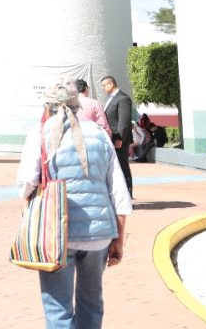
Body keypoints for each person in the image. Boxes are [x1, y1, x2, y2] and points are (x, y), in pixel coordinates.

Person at [16, 82, 132, 329]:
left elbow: (26, 182)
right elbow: (118, 192)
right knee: (92, 300)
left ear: (48, 106)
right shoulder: (99, 133)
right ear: (77, 104)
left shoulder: (40, 132)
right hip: (99, 235)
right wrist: (119, 239)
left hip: (57, 234)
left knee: (57, 306)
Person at [102, 75, 134, 198]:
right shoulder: (111, 98)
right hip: (113, 138)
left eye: (104, 85)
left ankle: (128, 194)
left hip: (119, 139)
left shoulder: (123, 98)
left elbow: (124, 121)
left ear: (111, 84)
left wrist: (120, 138)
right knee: (116, 167)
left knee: (123, 166)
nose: (103, 88)